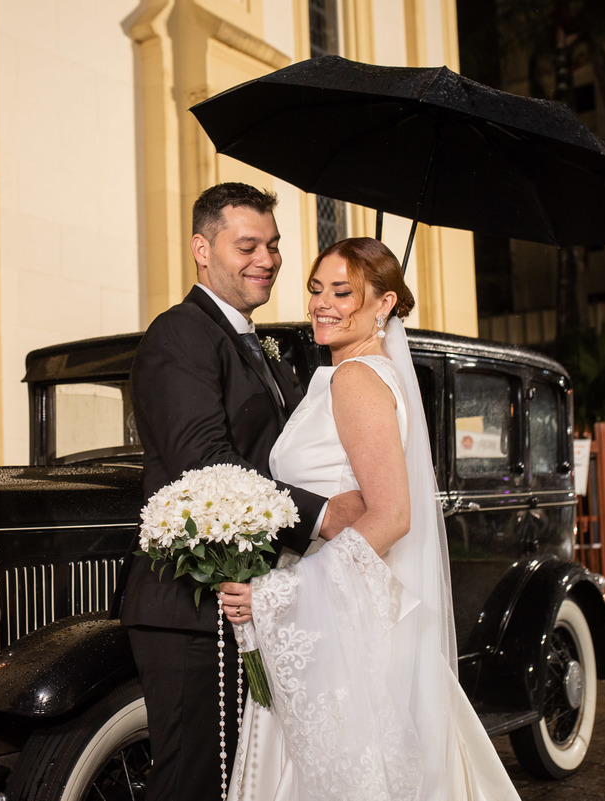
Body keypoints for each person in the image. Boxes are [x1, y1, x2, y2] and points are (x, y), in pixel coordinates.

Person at [220, 237, 521, 800]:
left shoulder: (356, 379)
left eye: (343, 292)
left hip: (340, 617)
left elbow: (392, 516)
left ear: (384, 304)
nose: (322, 304)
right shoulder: (362, 373)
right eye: (316, 289)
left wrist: (279, 591)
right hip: (339, 606)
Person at [120, 183, 362, 801]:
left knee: (239, 780)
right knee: (191, 782)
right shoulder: (180, 334)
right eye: (247, 246)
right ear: (202, 250)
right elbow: (205, 465)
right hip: (191, 606)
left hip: (252, 600)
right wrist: (325, 515)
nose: (268, 259)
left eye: (273, 246)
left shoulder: (261, 346)